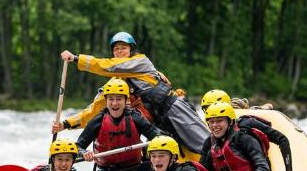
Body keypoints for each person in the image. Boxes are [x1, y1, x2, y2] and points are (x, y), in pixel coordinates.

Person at [58, 31, 209, 154]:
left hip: (174, 109)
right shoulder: (115, 85)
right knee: (169, 155)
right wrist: (65, 124)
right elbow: (94, 110)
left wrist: (77, 58)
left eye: (123, 48)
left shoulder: (141, 62)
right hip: (157, 123)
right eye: (116, 49)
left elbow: (108, 66)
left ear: (131, 50)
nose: (119, 51)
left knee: (204, 144)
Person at [75, 77, 161, 171]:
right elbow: (77, 147)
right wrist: (84, 152)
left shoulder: (136, 118)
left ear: (126, 100)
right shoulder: (98, 121)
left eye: (119, 99)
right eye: (111, 99)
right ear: (106, 100)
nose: (115, 103)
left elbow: (158, 137)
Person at [201, 89, 294, 171]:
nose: (212, 113)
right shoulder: (211, 140)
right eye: (208, 110)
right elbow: (202, 170)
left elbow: (282, 139)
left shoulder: (246, 123)